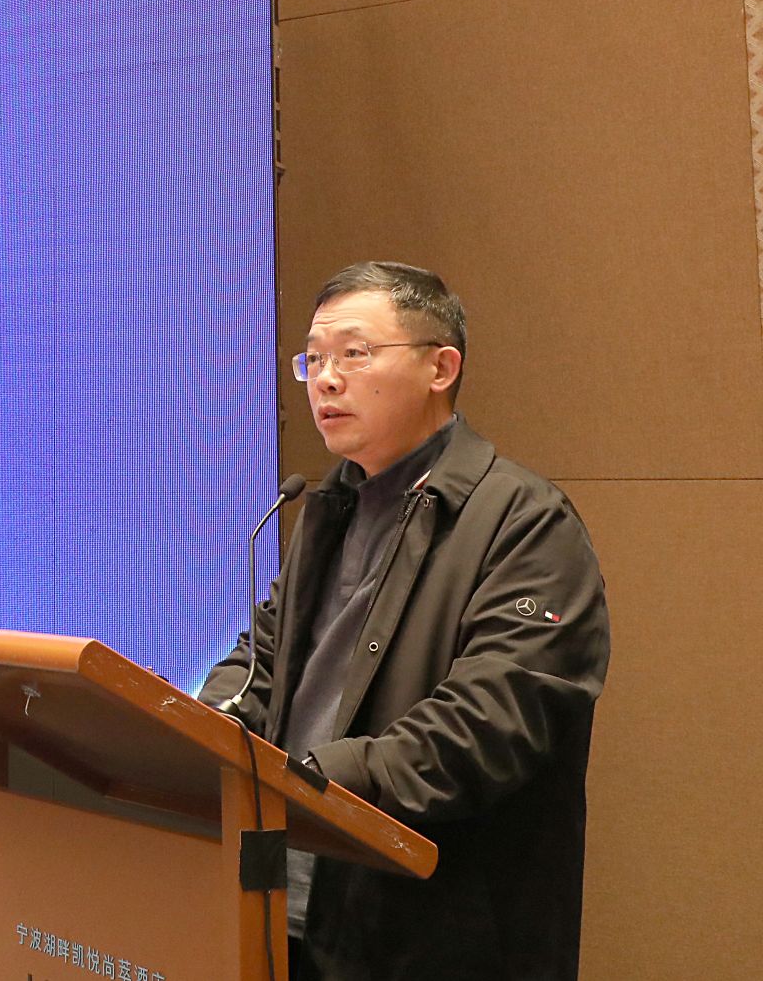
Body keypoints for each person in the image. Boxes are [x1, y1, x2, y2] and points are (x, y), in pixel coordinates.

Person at [199, 261, 609, 981]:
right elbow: (261, 662)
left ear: (440, 368)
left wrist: (309, 780)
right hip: (281, 908)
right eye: (313, 359)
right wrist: (193, 726)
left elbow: (490, 721)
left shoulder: (525, 523)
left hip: (426, 934)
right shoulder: (329, 509)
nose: (325, 380)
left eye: (354, 354)